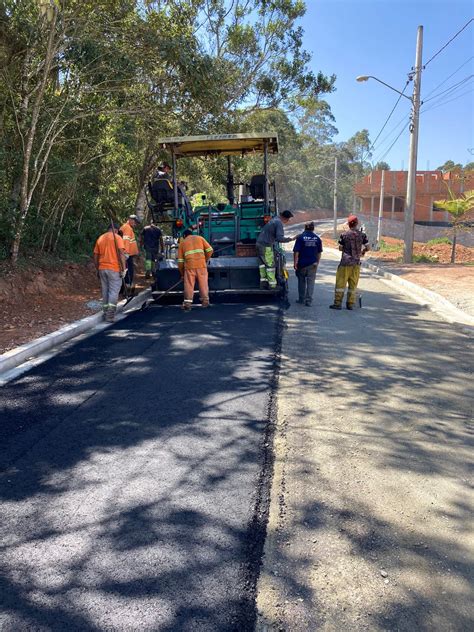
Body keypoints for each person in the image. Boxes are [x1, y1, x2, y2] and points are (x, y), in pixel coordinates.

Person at [330, 214, 370, 310]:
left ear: (348, 224)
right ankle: (350, 304)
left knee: (340, 284)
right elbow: (368, 247)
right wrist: (362, 252)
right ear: (357, 224)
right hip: (356, 264)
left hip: (345, 263)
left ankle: (337, 304)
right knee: (353, 285)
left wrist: (345, 249)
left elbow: (340, 247)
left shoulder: (344, 235)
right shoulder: (362, 235)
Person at [93, 223, 126, 323]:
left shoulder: (101, 238)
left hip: (102, 268)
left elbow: (95, 255)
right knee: (113, 291)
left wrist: (97, 268)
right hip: (114, 269)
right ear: (115, 230)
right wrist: (123, 269)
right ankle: (110, 315)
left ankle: (105, 311)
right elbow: (121, 254)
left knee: (105, 290)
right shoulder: (117, 238)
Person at [256, 210, 296, 289]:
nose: (288, 221)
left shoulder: (274, 220)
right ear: (286, 218)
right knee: (270, 265)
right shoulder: (278, 223)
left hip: (259, 244)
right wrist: (291, 239)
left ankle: (263, 284)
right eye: (288, 220)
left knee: (262, 265)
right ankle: (272, 285)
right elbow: (279, 238)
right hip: (266, 246)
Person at [177, 229, 213, 311]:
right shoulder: (200, 238)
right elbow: (210, 250)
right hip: (201, 265)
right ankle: (205, 302)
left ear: (184, 236)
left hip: (190, 267)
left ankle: (187, 304)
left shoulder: (182, 243)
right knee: (203, 283)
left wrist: (182, 274)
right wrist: (205, 259)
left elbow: (180, 261)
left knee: (189, 285)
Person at [293, 222, 323, 306]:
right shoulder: (317, 238)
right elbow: (319, 253)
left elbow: (296, 252)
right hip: (313, 264)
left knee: (301, 281)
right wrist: (317, 262)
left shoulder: (300, 238)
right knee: (311, 282)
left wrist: (295, 263)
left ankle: (301, 299)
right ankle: (308, 301)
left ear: (305, 228)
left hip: (301, 264)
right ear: (313, 228)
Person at [120, 214, 140, 289]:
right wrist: (126, 253)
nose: (136, 224)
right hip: (127, 254)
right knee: (128, 271)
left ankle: (126, 286)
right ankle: (127, 286)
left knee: (127, 270)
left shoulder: (126, 227)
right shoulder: (127, 228)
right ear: (131, 220)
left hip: (127, 254)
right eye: (135, 222)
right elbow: (126, 241)